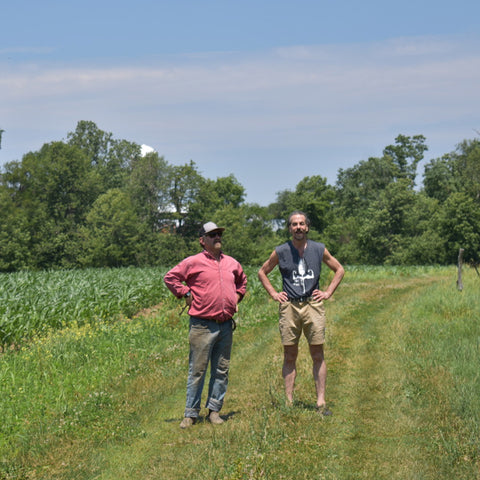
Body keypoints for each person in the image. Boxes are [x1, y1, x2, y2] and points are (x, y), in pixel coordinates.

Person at [258, 211, 344, 415]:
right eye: (294, 224)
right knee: (289, 355)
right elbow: (262, 271)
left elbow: (339, 269)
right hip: (289, 306)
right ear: (289, 228)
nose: (298, 227)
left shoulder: (318, 249)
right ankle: (288, 402)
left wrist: (328, 292)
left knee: (317, 353)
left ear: (307, 227)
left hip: (313, 304)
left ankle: (321, 402)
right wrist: (273, 293)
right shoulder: (281, 251)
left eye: (302, 224)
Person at [164, 221, 247, 428]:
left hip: (226, 325)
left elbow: (242, 282)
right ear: (202, 240)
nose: (217, 237)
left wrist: (236, 298)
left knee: (221, 369)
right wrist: (185, 293)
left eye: (219, 234)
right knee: (197, 370)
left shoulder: (232, 263)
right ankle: (190, 414)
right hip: (202, 325)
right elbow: (170, 278)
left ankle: (214, 411)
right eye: (212, 235)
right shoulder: (193, 262)